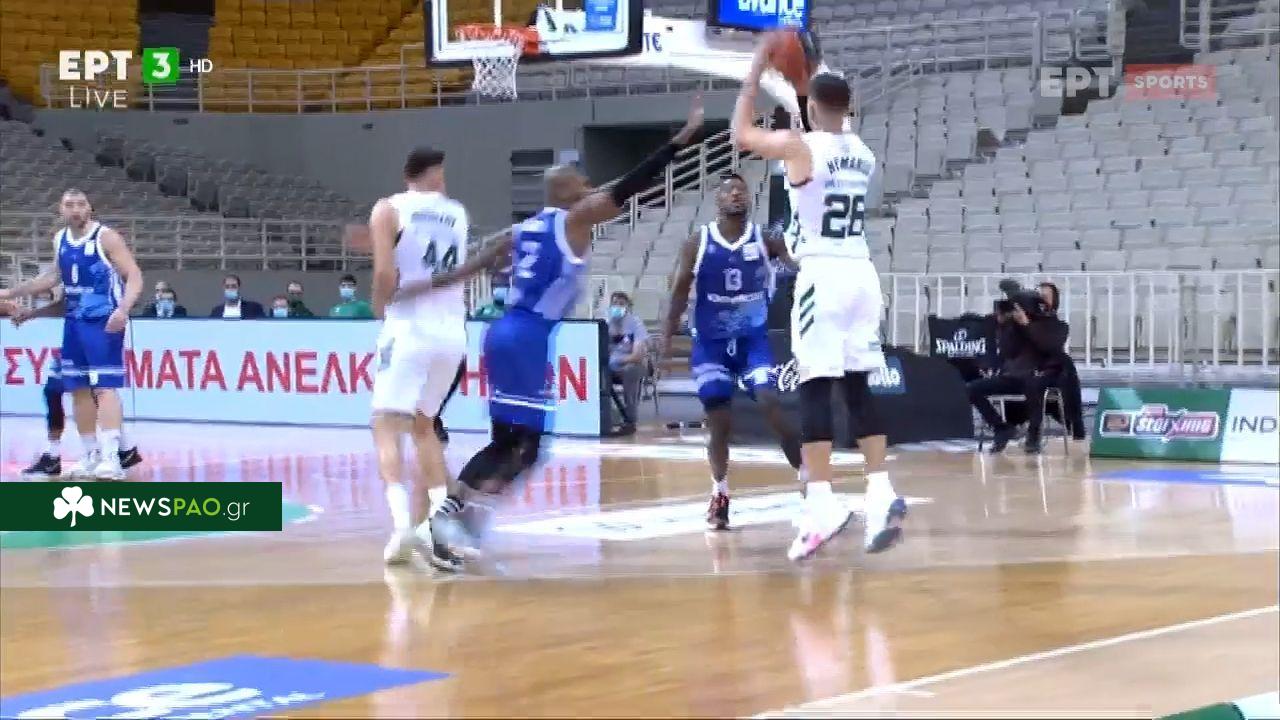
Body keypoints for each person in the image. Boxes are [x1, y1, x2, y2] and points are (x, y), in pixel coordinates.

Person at [429, 96, 704, 562]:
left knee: (516, 445)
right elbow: (631, 185)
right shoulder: (575, 219)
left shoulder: (523, 229)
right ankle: (452, 512)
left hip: (502, 332)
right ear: (566, 191)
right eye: (583, 181)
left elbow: (476, 263)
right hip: (527, 336)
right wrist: (681, 139)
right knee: (524, 446)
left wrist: (426, 286)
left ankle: (466, 519)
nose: (592, 185)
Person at [732, 44, 906, 559]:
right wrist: (808, 72)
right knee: (856, 385)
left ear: (810, 108)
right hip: (862, 274)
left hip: (822, 276)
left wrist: (753, 74)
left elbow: (742, 135)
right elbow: (827, 109)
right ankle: (880, 489)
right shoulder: (862, 152)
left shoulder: (800, 148)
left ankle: (824, 502)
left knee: (813, 387)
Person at [661, 172, 805, 531]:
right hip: (711, 344)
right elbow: (679, 291)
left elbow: (798, 265)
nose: (736, 195)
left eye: (742, 190)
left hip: (752, 341)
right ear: (718, 200)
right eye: (729, 191)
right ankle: (720, 493)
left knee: (770, 401)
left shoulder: (766, 239)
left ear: (750, 199)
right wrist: (665, 337)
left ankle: (807, 479)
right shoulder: (698, 241)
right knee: (719, 423)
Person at [358, 146, 476, 571]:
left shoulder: (388, 208)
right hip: (452, 331)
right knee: (425, 426)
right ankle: (437, 529)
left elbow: (385, 273)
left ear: (405, 174)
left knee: (386, 425)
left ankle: (401, 526)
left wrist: (379, 304)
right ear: (437, 175)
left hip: (409, 327)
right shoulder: (458, 213)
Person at [0, 189, 144, 480]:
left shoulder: (105, 237)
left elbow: (135, 275)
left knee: (104, 387)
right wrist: (12, 293)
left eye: (80, 204)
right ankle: (90, 454)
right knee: (77, 387)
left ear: (90, 208)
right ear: (61, 210)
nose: (76, 209)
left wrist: (124, 309)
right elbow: (52, 278)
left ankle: (112, 457)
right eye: (69, 205)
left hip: (103, 320)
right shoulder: (60, 239)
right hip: (74, 322)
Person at [9, 289, 144, 477]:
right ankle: (123, 449)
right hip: (78, 333)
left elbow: (127, 286)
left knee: (96, 389)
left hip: (98, 330)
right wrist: (33, 313)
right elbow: (64, 302)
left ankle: (60, 455)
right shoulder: (73, 280)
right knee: (72, 389)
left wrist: (10, 295)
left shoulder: (105, 276)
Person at [968, 282, 1070, 454]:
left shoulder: (1059, 326)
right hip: (1014, 377)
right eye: (1038, 296)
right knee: (971, 388)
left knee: (1034, 383)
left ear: (1054, 302)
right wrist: (1004, 325)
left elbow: (1047, 346)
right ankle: (1001, 428)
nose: (1040, 300)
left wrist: (1028, 325)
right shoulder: (1016, 325)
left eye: (1045, 297)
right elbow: (1008, 351)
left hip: (1043, 377)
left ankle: (1033, 436)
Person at [607, 291, 647, 433]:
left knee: (631, 370)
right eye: (615, 304)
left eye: (621, 304)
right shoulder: (605, 323)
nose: (617, 307)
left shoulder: (636, 324)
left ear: (628, 307)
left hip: (631, 363)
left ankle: (630, 419)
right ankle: (605, 415)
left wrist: (616, 361)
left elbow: (637, 356)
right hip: (609, 365)